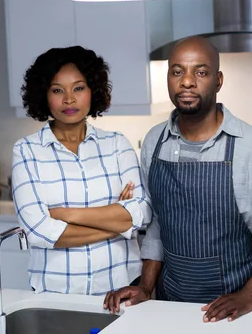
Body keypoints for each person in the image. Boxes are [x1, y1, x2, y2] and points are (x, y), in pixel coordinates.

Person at [103, 36, 252, 322]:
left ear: (218, 80)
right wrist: (146, 287)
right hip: (170, 304)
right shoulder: (155, 141)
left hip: (237, 310)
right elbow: (158, 223)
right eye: (177, 72)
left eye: (200, 72)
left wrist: (249, 294)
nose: (187, 82)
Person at [11, 45, 152, 295]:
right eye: (57, 90)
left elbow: (141, 212)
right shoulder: (26, 151)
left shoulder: (117, 144)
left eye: (78, 88)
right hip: (56, 293)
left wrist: (66, 214)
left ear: (92, 91)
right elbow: (38, 232)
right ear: (43, 95)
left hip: (120, 287)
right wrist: (117, 224)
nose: (69, 99)